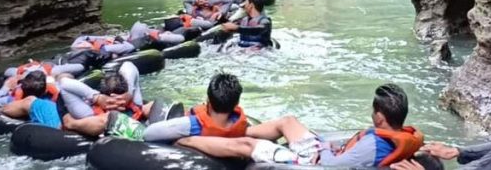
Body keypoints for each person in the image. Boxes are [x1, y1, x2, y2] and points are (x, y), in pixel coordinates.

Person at [173, 83, 424, 167]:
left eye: (374, 111)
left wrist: (323, 147)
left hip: (314, 161)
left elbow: (332, 166)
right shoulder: (404, 135)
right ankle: (230, 129)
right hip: (322, 150)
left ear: (379, 117)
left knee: (249, 145)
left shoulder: (374, 144)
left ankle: (183, 139)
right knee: (287, 121)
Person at [143, 73, 249, 142]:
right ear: (236, 104)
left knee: (151, 106)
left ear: (208, 100)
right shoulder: (241, 124)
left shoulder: (192, 125)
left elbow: (148, 134)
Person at [58, 61, 150, 139]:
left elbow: (63, 83)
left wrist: (96, 97)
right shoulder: (136, 102)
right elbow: (128, 65)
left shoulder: (89, 114)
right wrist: (129, 92)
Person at [0, 60, 83, 107]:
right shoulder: (54, 87)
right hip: (33, 71)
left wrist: (5, 87)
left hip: (33, 72)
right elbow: (80, 67)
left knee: (9, 71)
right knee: (64, 74)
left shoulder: (13, 99)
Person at [0, 70, 64, 128]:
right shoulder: (52, 97)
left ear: (22, 88)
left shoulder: (11, 100)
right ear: (45, 90)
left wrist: (6, 87)